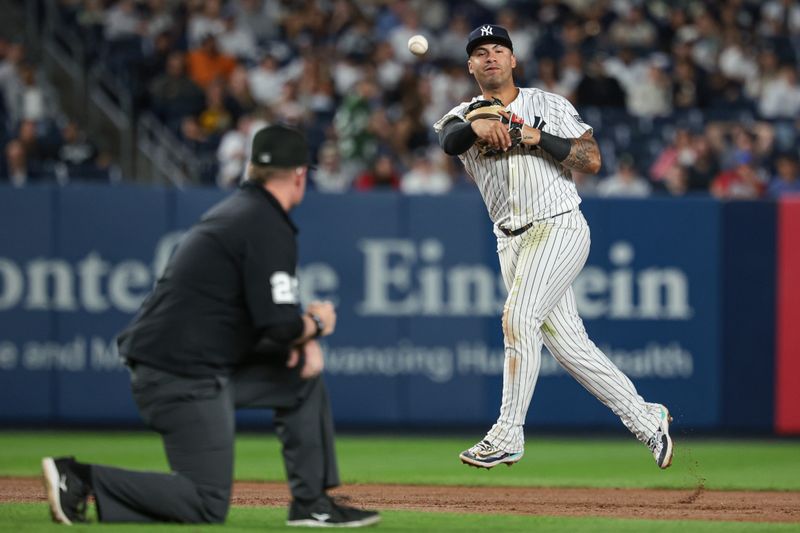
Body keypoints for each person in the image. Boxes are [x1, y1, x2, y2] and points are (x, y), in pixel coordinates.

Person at [41, 125, 380, 529]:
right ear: (299, 174)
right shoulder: (265, 222)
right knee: (205, 503)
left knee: (299, 382)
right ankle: (79, 478)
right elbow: (278, 324)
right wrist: (317, 325)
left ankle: (312, 504)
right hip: (180, 374)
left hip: (191, 363)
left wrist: (300, 336)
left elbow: (264, 323)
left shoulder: (243, 212)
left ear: (252, 168)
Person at [434, 25, 673, 471]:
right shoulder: (457, 116)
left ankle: (507, 434)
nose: (490, 58)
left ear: (513, 60)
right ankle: (647, 418)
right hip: (511, 242)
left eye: (499, 50)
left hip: (558, 225)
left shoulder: (547, 104)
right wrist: (478, 123)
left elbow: (593, 159)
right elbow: (450, 144)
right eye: (480, 52)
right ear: (470, 65)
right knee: (570, 348)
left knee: (518, 317)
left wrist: (535, 137)